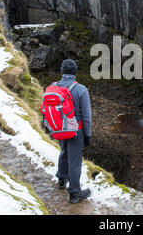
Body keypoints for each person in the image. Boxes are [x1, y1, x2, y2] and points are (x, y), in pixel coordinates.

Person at [55, 59, 92, 204]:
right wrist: (87, 135)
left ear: (62, 72)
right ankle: (75, 193)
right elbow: (86, 116)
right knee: (75, 161)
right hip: (76, 131)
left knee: (64, 151)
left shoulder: (54, 87)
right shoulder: (81, 89)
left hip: (59, 128)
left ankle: (61, 179)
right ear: (75, 72)